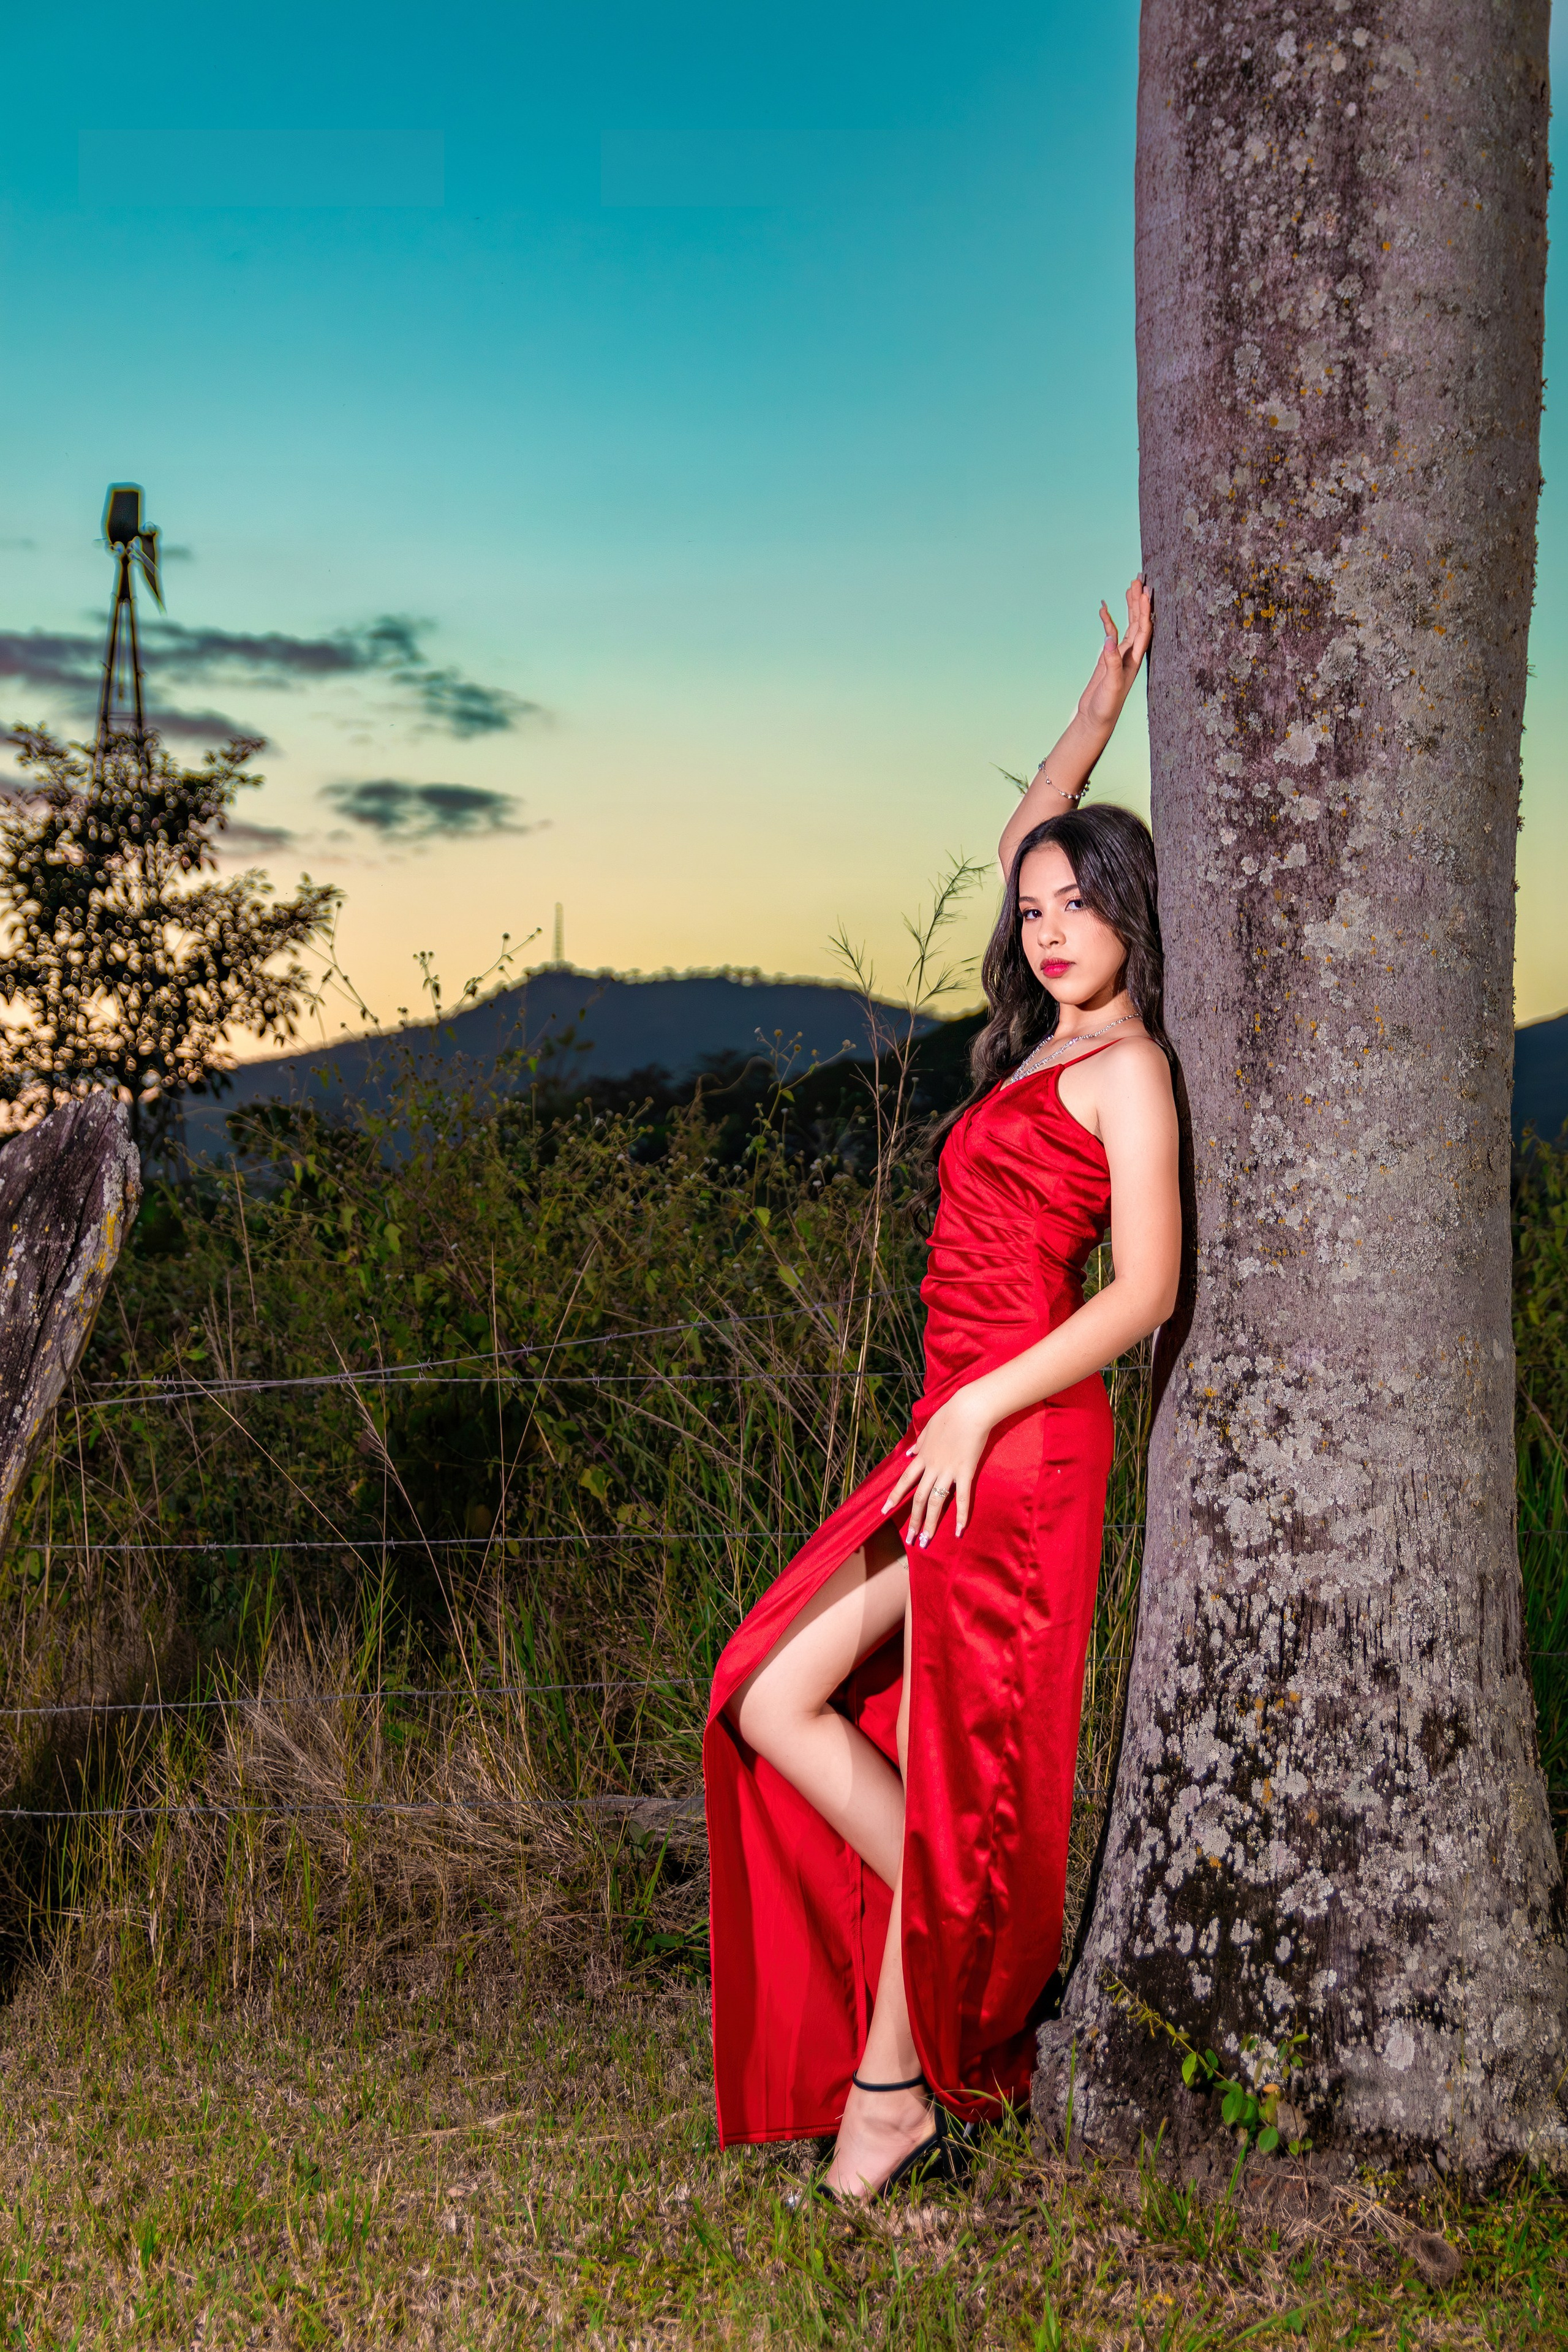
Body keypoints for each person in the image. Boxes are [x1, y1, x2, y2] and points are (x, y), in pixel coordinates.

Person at [703, 577, 1179, 2199]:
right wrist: (1099, 702)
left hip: (1019, 1442)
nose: (1046, 925)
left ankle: (892, 2086)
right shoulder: (1043, 1041)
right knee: (772, 1699)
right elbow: (1018, 836)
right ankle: (933, 2013)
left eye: (1077, 905)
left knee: (944, 1757)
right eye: (1037, 907)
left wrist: (983, 1409)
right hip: (950, 1431)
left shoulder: (1130, 1071)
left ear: (1132, 917)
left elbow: (1147, 1291)